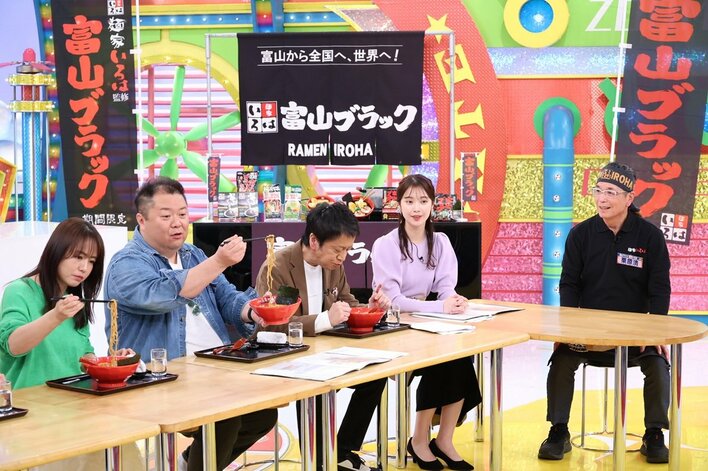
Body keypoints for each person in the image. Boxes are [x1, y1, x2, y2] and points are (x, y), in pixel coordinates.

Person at [104, 177, 277, 471]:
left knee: (263, 415)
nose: (178, 223)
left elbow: (227, 298)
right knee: (224, 415)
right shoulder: (126, 264)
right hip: (159, 377)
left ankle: (188, 463)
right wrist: (219, 261)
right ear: (141, 220)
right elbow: (167, 294)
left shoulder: (193, 254)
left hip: (215, 368)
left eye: (183, 214)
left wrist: (253, 311)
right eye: (166, 216)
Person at [537, 162, 671, 464]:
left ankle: (654, 434)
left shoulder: (650, 237)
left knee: (658, 366)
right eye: (598, 191)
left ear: (629, 197)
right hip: (588, 334)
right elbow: (569, 284)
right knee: (561, 361)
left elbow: (660, 289)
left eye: (611, 192)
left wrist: (655, 332)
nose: (602, 198)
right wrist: (569, 330)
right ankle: (558, 431)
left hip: (635, 335)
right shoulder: (580, 235)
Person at [255, 202, 389, 471]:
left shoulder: (333, 265)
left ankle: (341, 451)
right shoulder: (278, 266)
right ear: (314, 241)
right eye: (338, 250)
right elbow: (273, 324)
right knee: (316, 389)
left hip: (326, 352)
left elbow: (347, 302)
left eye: (347, 250)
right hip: (288, 357)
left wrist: (371, 308)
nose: (342, 257)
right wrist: (325, 319)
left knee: (376, 375)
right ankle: (319, 462)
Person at [0, 217, 141, 470]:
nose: (84, 267)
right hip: (33, 415)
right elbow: (13, 345)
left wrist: (111, 361)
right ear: (57, 251)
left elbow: (83, 356)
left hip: (75, 408)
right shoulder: (19, 291)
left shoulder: (73, 300)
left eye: (92, 261)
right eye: (78, 257)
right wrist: (55, 316)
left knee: (125, 450)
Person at [371, 174, 480, 471]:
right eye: (409, 201)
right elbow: (394, 301)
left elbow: (445, 287)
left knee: (460, 357)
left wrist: (453, 301)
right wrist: (440, 307)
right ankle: (419, 440)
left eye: (423, 201)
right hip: (394, 326)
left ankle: (444, 440)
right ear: (398, 205)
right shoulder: (386, 245)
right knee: (437, 359)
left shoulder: (440, 242)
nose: (416, 208)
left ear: (433, 204)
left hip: (426, 322)